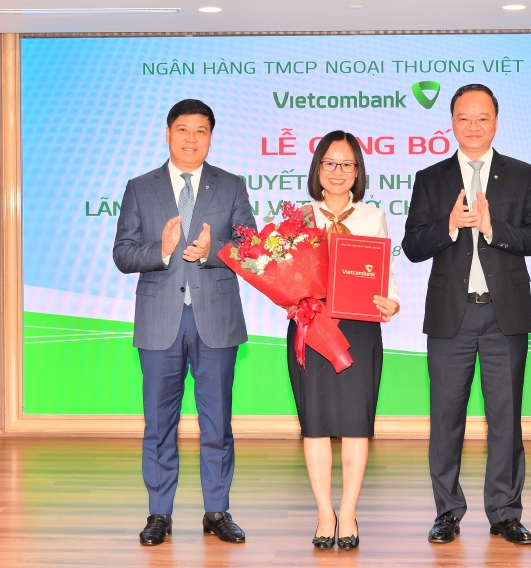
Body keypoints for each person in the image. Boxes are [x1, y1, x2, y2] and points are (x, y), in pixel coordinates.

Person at [402, 84, 531, 545]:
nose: (473, 126)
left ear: (496, 122)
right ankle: (447, 512)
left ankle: (505, 513)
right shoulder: (431, 178)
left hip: (504, 316)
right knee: (445, 418)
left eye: (482, 118)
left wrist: (492, 228)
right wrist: (449, 226)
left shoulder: (522, 175)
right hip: (452, 316)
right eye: (464, 118)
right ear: (451, 122)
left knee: (505, 419)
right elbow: (412, 246)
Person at [113, 99, 256, 547]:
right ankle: (159, 513)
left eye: (201, 131)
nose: (191, 139)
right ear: (167, 133)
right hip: (160, 321)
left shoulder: (230, 186)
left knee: (218, 423)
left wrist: (214, 252)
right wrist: (161, 249)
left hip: (217, 320)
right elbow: (123, 254)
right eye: (182, 129)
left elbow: (251, 249)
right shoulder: (140, 188)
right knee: (159, 424)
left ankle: (217, 511)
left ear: (211, 137)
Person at [288, 130, 400, 551]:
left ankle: (349, 512)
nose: (338, 172)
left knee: (356, 423)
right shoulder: (299, 217)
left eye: (347, 164)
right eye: (330, 163)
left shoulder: (373, 216)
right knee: (315, 425)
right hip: (311, 326)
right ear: (318, 168)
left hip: (359, 327)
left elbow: (385, 275)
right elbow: (286, 274)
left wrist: (392, 302)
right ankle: (324, 514)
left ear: (358, 172)